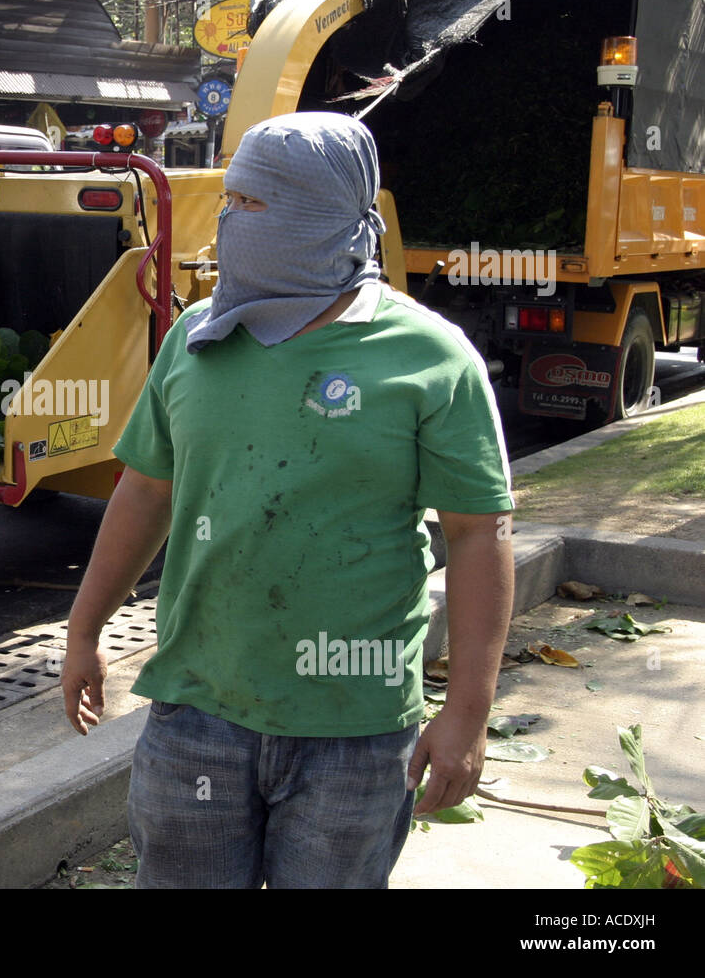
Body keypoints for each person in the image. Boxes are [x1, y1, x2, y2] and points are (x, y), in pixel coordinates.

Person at [59, 112, 515, 888]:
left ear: (323, 215)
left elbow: (479, 533)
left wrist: (467, 713)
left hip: (356, 730)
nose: (229, 220)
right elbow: (146, 490)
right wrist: (84, 629)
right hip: (196, 712)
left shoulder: (430, 358)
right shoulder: (196, 338)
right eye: (228, 200)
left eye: (253, 203)